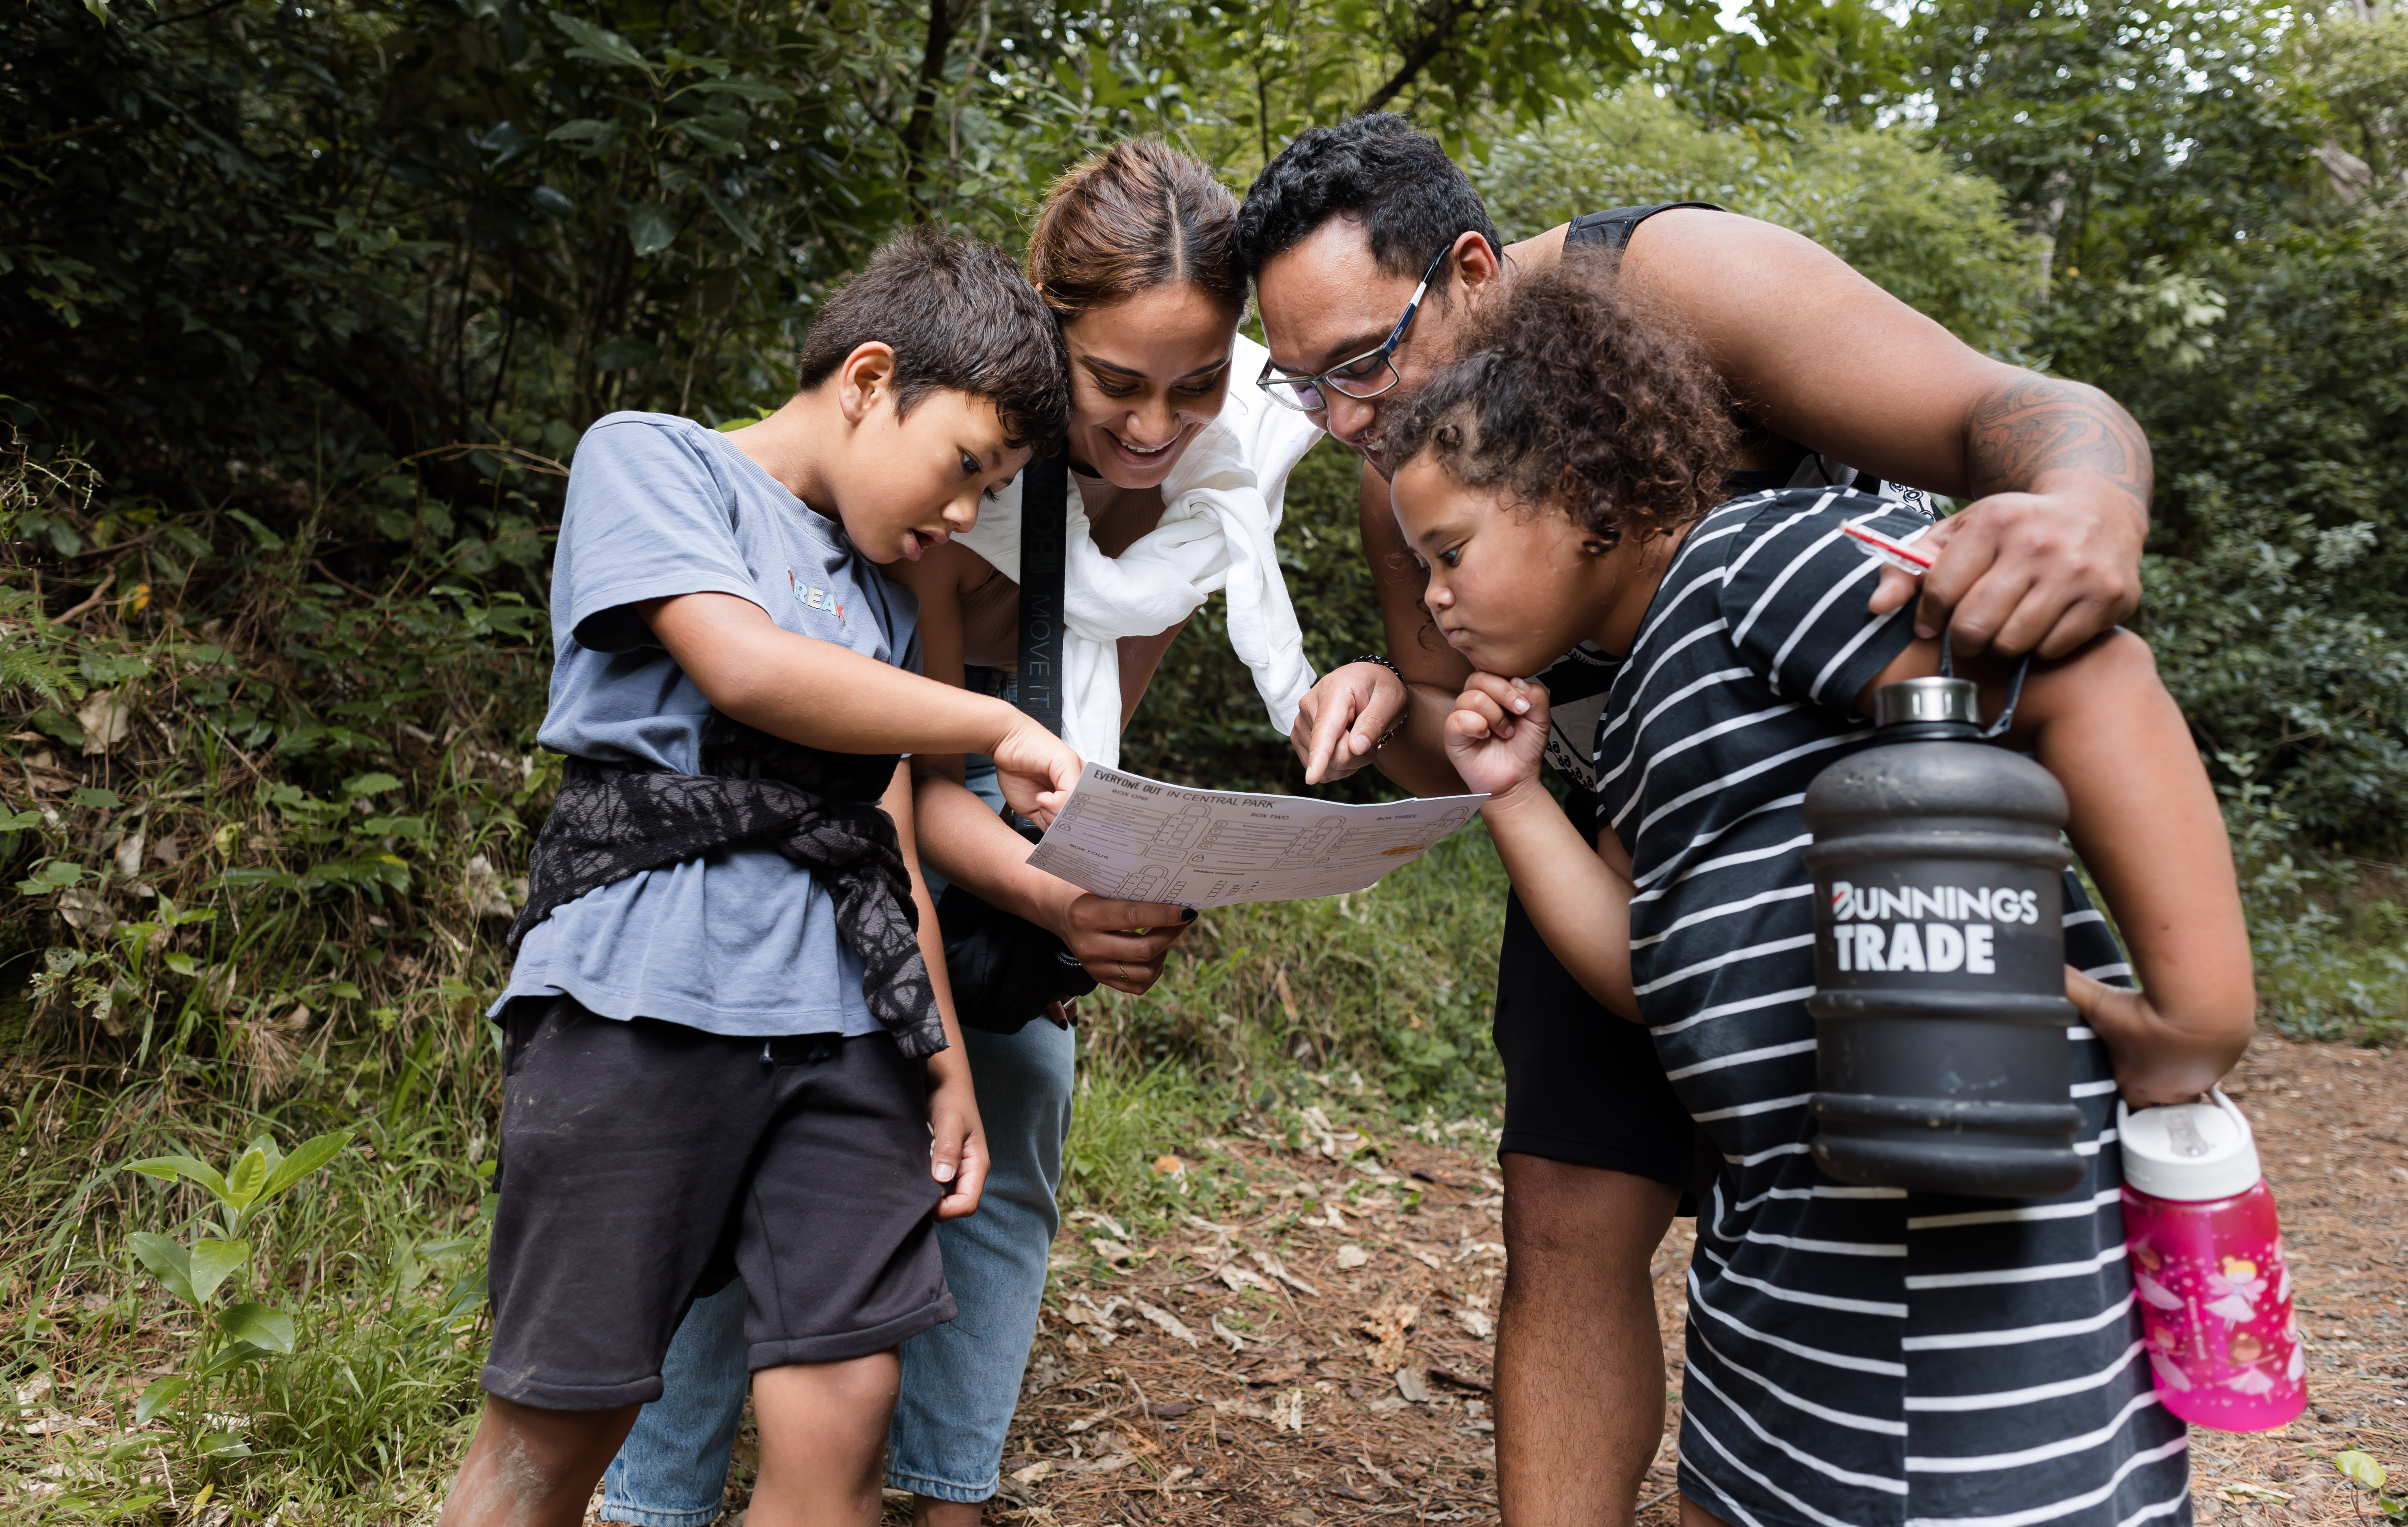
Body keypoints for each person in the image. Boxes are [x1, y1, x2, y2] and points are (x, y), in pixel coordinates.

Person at [1233, 113, 2160, 1527]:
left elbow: (2014, 410)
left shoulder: (1681, 282)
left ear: (1472, 270)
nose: (1351, 418)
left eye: (1364, 361)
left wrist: (2090, 502)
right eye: (1306, 388)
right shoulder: (1397, 476)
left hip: (1856, 832)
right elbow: (1464, 735)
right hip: (1619, 846)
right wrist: (1379, 705)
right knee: (1563, 1204)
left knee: (1888, 1216)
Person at [1400, 256, 2254, 1527]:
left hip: (1962, 1243)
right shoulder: (1637, 702)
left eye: (1450, 550)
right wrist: (1515, 793)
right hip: (1781, 1260)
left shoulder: (1765, 566)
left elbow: (2093, 679)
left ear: (1578, 495)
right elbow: (1644, 974)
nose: (1432, 597)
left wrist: (2197, 1016)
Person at [600, 138, 1325, 1527]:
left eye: (1197, 385)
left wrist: (1110, 881)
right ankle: (661, 1490)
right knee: (759, 1111)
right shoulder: (948, 478)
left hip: (999, 797)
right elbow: (910, 753)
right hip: (850, 782)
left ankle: (946, 1491)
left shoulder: (1198, 496)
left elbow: (1082, 742)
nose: (1157, 426)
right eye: (1117, 385)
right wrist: (1045, 890)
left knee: (1019, 1109)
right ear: (1051, 341)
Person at [440, 228, 1084, 1527]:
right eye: (965, 466)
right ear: (865, 378)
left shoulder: (890, 591)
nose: (963, 517)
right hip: (642, 1001)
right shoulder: (655, 459)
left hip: (850, 1029)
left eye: (993, 488)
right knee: (558, 1428)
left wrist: (944, 1065)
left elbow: (885, 830)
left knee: (846, 1406)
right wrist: (995, 724)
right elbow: (740, 666)